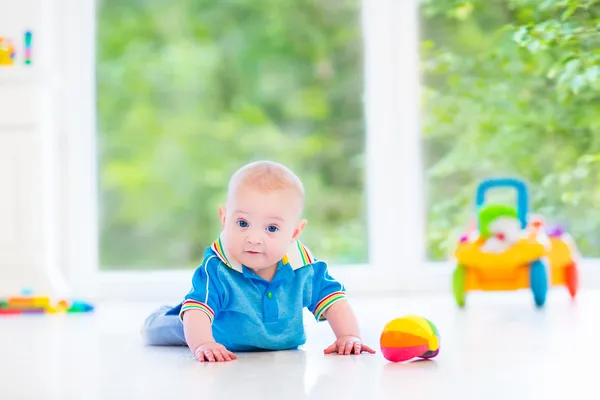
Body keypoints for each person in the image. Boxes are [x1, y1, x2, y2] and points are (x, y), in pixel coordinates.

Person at [141, 160, 375, 362]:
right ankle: (162, 315)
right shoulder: (218, 267)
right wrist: (203, 343)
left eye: (271, 228)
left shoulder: (304, 267)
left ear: (294, 233)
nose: (253, 239)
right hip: (212, 330)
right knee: (165, 328)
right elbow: (198, 312)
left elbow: (333, 300)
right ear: (224, 218)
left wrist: (348, 336)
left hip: (277, 342)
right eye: (242, 223)